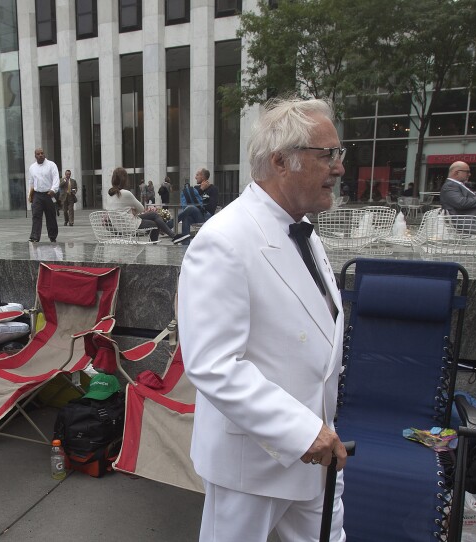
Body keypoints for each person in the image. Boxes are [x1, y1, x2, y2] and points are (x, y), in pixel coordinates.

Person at [178, 97, 348, 542]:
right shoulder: (224, 240)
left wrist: (318, 430)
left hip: (317, 454)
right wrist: (301, 431)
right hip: (252, 466)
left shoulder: (306, 232)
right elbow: (212, 363)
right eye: (327, 154)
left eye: (338, 153)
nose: (339, 167)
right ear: (281, 162)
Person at [106, 167, 187, 243]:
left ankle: (174, 236)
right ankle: (156, 244)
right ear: (124, 180)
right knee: (156, 224)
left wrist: (131, 211)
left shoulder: (109, 194)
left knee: (154, 215)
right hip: (129, 225)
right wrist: (133, 210)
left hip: (119, 226)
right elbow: (141, 209)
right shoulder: (125, 193)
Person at [177, 168, 218, 245]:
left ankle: (170, 224)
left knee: (191, 207)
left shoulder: (213, 189)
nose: (195, 177)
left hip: (207, 216)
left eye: (197, 175)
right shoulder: (195, 189)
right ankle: (185, 246)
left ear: (203, 177)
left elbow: (212, 207)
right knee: (186, 217)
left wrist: (199, 208)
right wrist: (201, 190)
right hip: (196, 216)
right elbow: (190, 201)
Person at [27, 147, 60, 242]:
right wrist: (30, 195)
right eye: (38, 154)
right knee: (36, 215)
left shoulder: (51, 165)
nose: (41, 155)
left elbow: (56, 178)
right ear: (35, 156)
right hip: (37, 195)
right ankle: (35, 236)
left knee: (51, 216)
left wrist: (54, 189)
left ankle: (52, 236)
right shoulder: (32, 167)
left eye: (42, 153)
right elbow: (31, 182)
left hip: (49, 194)